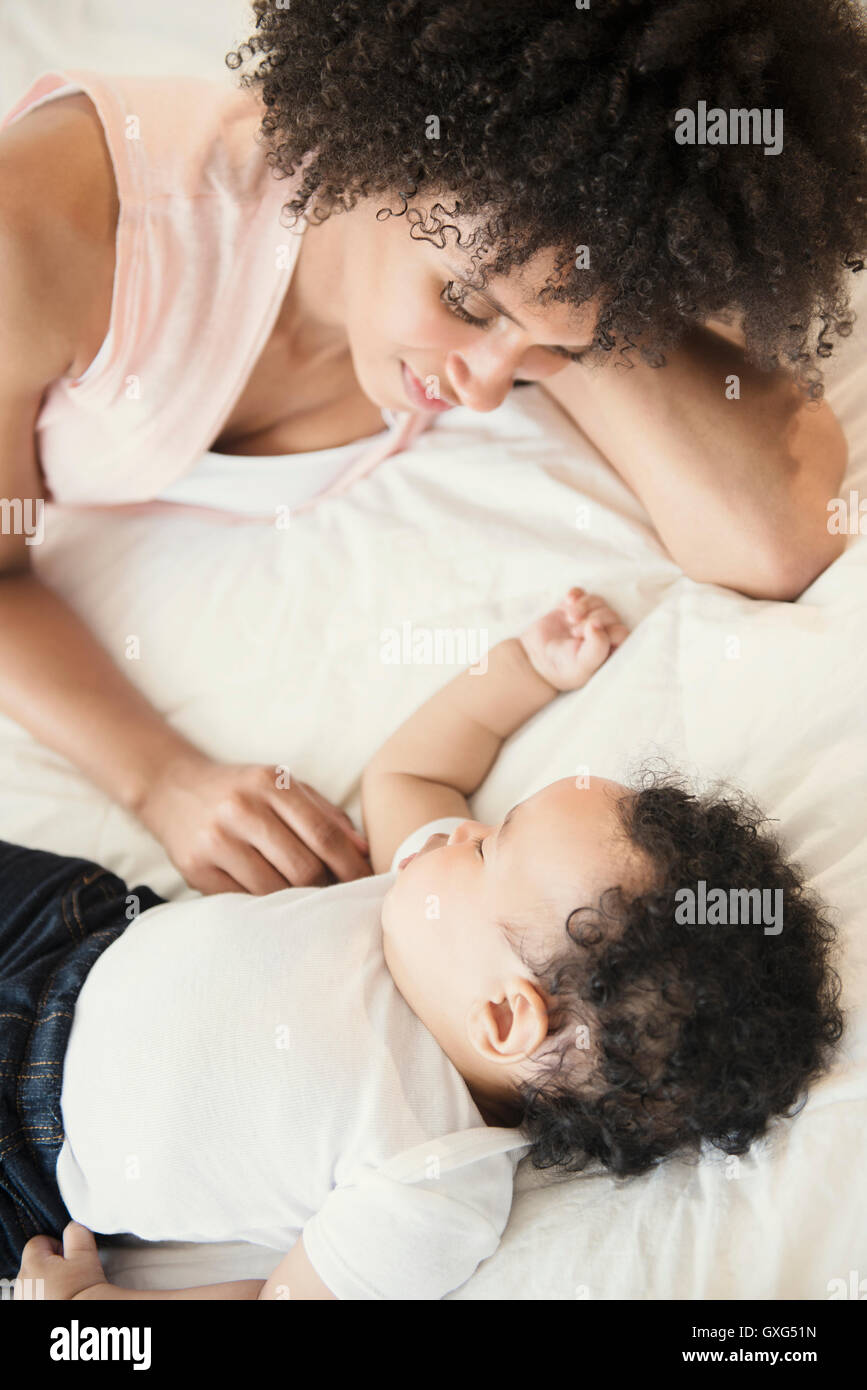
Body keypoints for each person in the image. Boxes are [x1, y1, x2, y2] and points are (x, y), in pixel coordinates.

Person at [0, 0, 864, 895]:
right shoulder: (36, 232)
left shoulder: (544, 281)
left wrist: (581, 292)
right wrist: (163, 780)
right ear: (379, 155)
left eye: (554, 355)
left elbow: (773, 542)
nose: (487, 388)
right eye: (464, 301)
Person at [6, 586, 842, 1300]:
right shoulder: (429, 918)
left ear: (505, 1018)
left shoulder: (431, 1181)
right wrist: (525, 667)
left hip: (28, 1150)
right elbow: (408, 775)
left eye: (486, 846)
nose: (459, 834)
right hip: (69, 932)